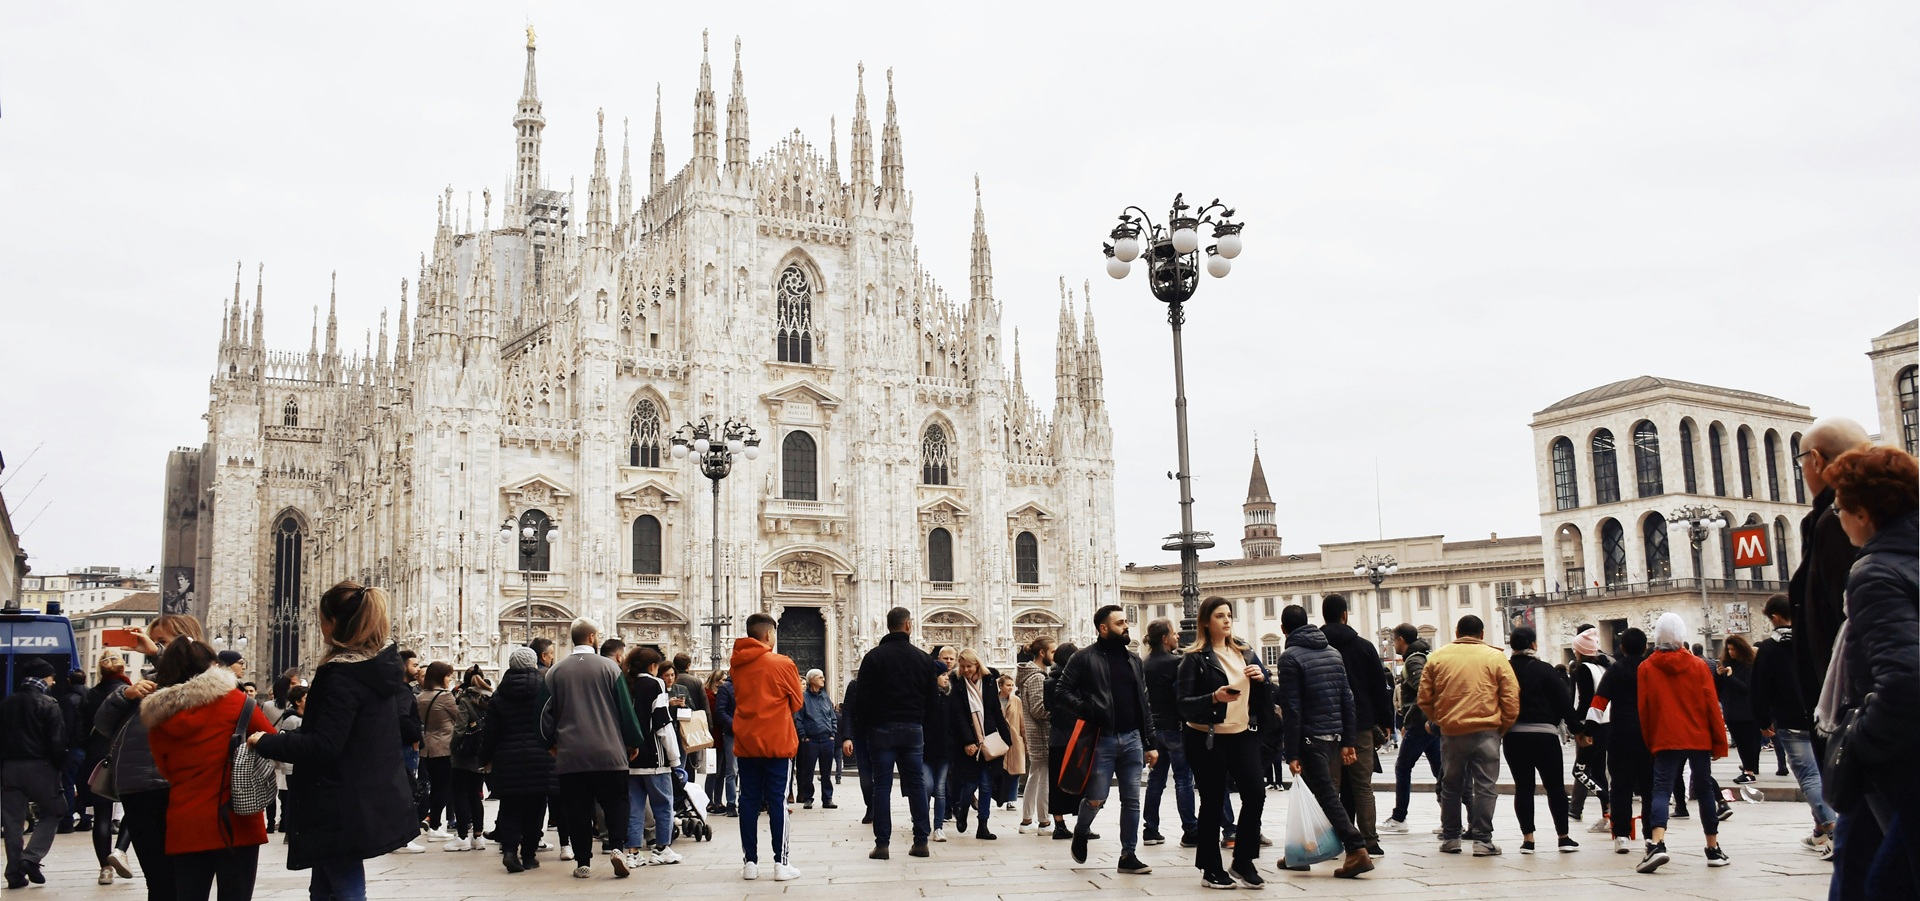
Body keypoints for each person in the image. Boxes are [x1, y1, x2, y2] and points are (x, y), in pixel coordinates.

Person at [249, 582, 416, 901]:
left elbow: (325, 744)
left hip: (338, 798)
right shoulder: (376, 670)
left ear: (335, 623)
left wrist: (267, 742)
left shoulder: (341, 676)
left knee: (344, 882)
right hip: (360, 792)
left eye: (321, 618)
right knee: (325, 884)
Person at [1822, 444, 1919, 897]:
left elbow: (1905, 679)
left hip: (1903, 761)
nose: (1838, 519)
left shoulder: (1875, 572)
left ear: (1863, 512)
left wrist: (1859, 740)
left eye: (1839, 507)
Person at [143, 633, 277, 901]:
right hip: (236, 817)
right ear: (211, 666)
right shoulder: (238, 701)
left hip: (187, 821)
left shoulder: (159, 714)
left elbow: (164, 768)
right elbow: (270, 741)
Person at [95, 614, 205, 901]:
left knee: (181, 877)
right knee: (158, 878)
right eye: (154, 642)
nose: (155, 647)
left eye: (164, 642)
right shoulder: (146, 685)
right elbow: (103, 726)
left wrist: (157, 653)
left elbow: (190, 671)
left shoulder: (199, 682)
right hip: (138, 788)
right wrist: (125, 695)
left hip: (176, 787)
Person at [1176, 596, 1273, 890]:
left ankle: (1243, 860)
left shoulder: (1244, 651)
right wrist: (1213, 698)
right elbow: (1183, 704)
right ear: (1206, 621)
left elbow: (1264, 688)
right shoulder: (1193, 658)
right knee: (1213, 801)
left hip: (1242, 734)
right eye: (1220, 615)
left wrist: (1262, 676)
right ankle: (1211, 868)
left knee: (1256, 794)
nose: (1227, 620)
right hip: (1206, 737)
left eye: (1229, 615)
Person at [1055, 606, 1158, 876]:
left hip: (1133, 738)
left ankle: (1128, 855)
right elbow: (1061, 691)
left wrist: (1150, 741)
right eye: (1120, 622)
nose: (1127, 626)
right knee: (1096, 797)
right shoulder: (1084, 658)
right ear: (1103, 628)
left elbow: (1143, 703)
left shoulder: (1134, 660)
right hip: (1102, 739)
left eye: (1126, 621)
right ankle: (1081, 829)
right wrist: (1088, 710)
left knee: (1132, 800)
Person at [542, 618, 644, 878]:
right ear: (591, 638)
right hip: (609, 752)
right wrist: (632, 742)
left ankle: (583, 863)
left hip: (571, 755)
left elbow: (543, 714)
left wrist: (550, 743)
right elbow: (625, 709)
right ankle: (618, 848)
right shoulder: (610, 668)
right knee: (616, 802)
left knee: (576, 808)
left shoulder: (555, 671)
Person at [1276, 603, 1371, 879]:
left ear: (1284, 629)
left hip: (1309, 737)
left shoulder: (1290, 658)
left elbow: (1292, 708)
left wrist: (1291, 751)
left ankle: (1356, 849)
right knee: (1320, 794)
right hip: (1334, 734)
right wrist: (1348, 740)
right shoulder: (1332, 652)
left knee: (1327, 795)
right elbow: (1347, 699)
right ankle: (1303, 851)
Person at [1631, 612, 1730, 874]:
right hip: (1698, 736)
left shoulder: (1646, 668)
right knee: (1706, 790)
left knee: (1661, 790)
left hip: (1666, 735)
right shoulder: (1698, 666)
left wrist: (1651, 740)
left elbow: (1645, 709)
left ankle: (1658, 843)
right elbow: (1712, 704)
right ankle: (1713, 848)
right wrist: (1719, 741)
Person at [1417, 614, 1518, 858]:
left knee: (1451, 785)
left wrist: (1441, 719)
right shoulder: (1495, 657)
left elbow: (1424, 698)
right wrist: (1502, 726)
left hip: (1452, 731)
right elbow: (1511, 697)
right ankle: (1483, 840)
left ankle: (1451, 837)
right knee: (1485, 786)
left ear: (1456, 631)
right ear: (1482, 634)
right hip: (1486, 730)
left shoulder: (1438, 657)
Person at [1748, 594, 1836, 854]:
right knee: (1822, 775)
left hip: (1790, 721)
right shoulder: (1809, 642)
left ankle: (1833, 831)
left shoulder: (1768, 649)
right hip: (1822, 718)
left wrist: (1763, 721)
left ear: (1774, 617)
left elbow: (1759, 689)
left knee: (1809, 777)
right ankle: (1820, 831)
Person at [729, 612, 804, 881]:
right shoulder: (782, 663)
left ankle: (750, 863)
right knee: (777, 801)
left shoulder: (736, 665)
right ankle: (781, 863)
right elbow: (797, 702)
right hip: (776, 742)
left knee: (747, 801)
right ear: (769, 634)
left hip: (747, 741)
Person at [1320, 595, 1392, 857]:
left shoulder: (1317, 647)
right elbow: (1378, 687)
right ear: (1345, 615)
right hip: (1360, 725)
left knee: (1331, 786)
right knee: (1363, 786)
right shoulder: (1364, 647)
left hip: (1326, 726)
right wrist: (1386, 722)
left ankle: (1331, 839)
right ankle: (1369, 840)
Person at [479, 647, 554, 873]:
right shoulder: (545, 689)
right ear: (533, 664)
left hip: (508, 758)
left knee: (511, 806)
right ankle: (529, 855)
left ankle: (510, 851)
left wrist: (484, 758)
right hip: (541, 757)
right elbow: (553, 722)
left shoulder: (500, 694)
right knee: (536, 806)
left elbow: (490, 731)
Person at [1504, 626, 1577, 854]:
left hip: (1514, 735)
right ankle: (1563, 837)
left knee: (1523, 787)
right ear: (1533, 645)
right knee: (1555, 786)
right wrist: (1578, 729)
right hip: (1544, 734)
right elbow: (1563, 702)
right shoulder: (1545, 670)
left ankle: (1528, 839)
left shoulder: (1504, 670)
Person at [1586, 628, 1654, 855]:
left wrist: (1590, 730)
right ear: (1645, 647)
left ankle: (1622, 835)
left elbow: (1599, 702)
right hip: (1649, 735)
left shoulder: (1615, 670)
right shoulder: (1651, 669)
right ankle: (1650, 835)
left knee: (1620, 787)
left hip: (1620, 734)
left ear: (1622, 648)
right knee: (1649, 788)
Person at [1, 658, 67, 889]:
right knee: (55, 810)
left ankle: (14, 874)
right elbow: (57, 742)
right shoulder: (49, 703)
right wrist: (59, 768)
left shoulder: (6, 703)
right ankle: (31, 857)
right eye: (51, 677)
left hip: (9, 768)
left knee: (12, 822)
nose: (53, 681)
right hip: (40, 767)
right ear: (43, 677)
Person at [618, 647, 684, 868]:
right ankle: (662, 848)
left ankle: (633, 852)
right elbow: (663, 723)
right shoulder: (655, 684)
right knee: (663, 804)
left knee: (634, 806)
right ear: (653, 666)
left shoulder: (626, 683)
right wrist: (674, 758)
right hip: (654, 756)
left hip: (630, 757)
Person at [80, 650, 134, 883]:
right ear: (123, 670)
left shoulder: (89, 695)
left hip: (97, 758)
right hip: (125, 756)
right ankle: (119, 850)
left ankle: (105, 868)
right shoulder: (129, 693)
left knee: (101, 816)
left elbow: (80, 730)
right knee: (133, 810)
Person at [946, 648, 1011, 841]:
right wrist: (967, 741)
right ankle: (963, 808)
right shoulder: (956, 683)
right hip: (968, 741)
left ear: (977, 665)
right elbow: (957, 715)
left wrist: (1006, 737)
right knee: (969, 784)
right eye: (962, 666)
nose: (965, 670)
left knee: (985, 784)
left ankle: (983, 825)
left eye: (969, 666)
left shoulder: (989, 680)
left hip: (989, 738)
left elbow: (995, 710)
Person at [1141, 618, 1196, 848]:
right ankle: (1190, 830)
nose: (1177, 637)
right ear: (1164, 638)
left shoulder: (1143, 663)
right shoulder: (1176, 662)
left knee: (1156, 779)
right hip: (1175, 727)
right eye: (1174, 633)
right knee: (1184, 779)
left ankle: (1150, 829)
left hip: (1154, 728)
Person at [1382, 623, 1439, 834]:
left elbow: (1423, 691)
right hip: (1429, 722)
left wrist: (1408, 721)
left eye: (1393, 640)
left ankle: (1399, 817)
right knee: (1439, 770)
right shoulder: (1423, 655)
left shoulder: (1414, 660)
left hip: (1420, 723)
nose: (1393, 644)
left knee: (1403, 767)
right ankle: (1453, 818)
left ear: (1401, 640)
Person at [1567, 625, 1613, 834]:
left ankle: (1607, 799)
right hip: (1606, 724)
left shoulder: (1583, 669)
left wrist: (1575, 724)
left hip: (1591, 724)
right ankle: (1607, 816)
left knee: (1579, 771)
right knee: (1598, 772)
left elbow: (1585, 700)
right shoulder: (1602, 667)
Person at [446, 665, 492, 851]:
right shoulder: (490, 698)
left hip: (464, 755)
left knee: (460, 795)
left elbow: (459, 729)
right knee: (475, 795)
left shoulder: (465, 700)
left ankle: (463, 836)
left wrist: (453, 747)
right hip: (480, 754)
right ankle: (478, 837)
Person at [415, 661, 459, 842]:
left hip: (428, 747)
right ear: (441, 677)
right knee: (445, 787)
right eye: (448, 676)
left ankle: (434, 824)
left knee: (434, 786)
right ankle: (434, 825)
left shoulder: (421, 696)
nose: (450, 679)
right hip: (444, 747)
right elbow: (459, 717)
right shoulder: (445, 697)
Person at [1044, 643, 1083, 841]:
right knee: (1079, 780)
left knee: (1056, 781)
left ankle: (1059, 824)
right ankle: (1082, 824)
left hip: (1057, 736)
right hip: (1075, 735)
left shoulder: (1049, 681)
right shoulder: (1076, 682)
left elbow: (1047, 707)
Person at [1016, 637, 1054, 835]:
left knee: (1035, 775)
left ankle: (1026, 819)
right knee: (1044, 778)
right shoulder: (1038, 677)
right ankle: (1044, 821)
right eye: (1052, 652)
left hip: (1033, 733)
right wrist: (1057, 714)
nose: (1054, 657)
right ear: (1042, 653)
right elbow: (1039, 709)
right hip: (1040, 734)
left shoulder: (1028, 675)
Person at [1715, 636, 1762, 784]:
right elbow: (1718, 690)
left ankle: (1749, 770)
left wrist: (1731, 677)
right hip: (1731, 709)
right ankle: (1749, 768)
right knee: (1741, 742)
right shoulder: (1727, 663)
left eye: (1733, 649)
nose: (1731, 652)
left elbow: (1744, 689)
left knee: (1748, 741)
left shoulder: (1748, 665)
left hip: (1746, 710)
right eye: (1728, 649)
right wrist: (1718, 676)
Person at [794, 669, 838, 809]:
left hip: (826, 739)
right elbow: (798, 719)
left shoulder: (825, 697)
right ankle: (808, 798)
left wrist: (832, 733)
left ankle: (827, 798)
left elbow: (832, 716)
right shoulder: (802, 698)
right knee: (808, 771)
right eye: (820, 677)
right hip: (811, 741)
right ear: (812, 680)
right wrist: (804, 736)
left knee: (826, 772)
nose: (823, 679)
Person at [269, 685, 306, 845]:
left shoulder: (300, 717)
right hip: (292, 766)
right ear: (298, 701)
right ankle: (290, 832)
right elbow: (288, 741)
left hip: (298, 764)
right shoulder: (292, 719)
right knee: (292, 798)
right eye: (306, 698)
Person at [924, 662, 954, 842]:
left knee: (940, 789)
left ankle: (938, 827)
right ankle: (922, 823)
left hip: (944, 750)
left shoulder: (950, 697)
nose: (946, 678)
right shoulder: (924, 698)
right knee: (926, 786)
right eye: (943, 675)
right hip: (926, 749)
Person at [707, 669, 737, 817]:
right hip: (726, 734)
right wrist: (734, 725)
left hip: (743, 733)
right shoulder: (725, 688)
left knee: (735, 771)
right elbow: (720, 712)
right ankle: (727, 803)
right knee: (727, 770)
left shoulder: (749, 684)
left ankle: (721, 801)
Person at [996, 673, 1027, 812]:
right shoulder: (993, 700)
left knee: (1014, 771)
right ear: (1000, 686)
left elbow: (1022, 722)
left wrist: (1025, 740)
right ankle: (999, 796)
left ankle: (1011, 800)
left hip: (1014, 739)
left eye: (1012, 685)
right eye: (1008, 685)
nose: (1010, 687)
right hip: (998, 739)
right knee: (999, 770)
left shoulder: (1017, 701)